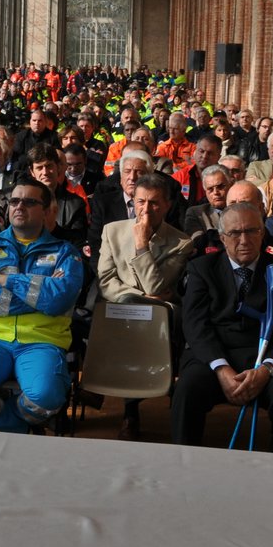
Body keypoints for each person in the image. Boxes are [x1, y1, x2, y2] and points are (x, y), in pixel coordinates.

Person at [171, 201, 273, 455]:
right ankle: (182, 463)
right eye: (235, 233)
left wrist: (266, 370)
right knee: (187, 387)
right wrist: (221, 369)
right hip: (215, 357)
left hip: (265, 360)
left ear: (263, 234)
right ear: (223, 238)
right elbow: (195, 325)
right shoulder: (202, 269)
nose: (244, 239)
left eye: (252, 231)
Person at [0, 177, 84, 432]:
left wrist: (6, 279)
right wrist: (40, 293)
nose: (19, 206)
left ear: (46, 211)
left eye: (29, 202)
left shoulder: (66, 251)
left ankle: (7, 432)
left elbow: (59, 299)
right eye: (14, 201)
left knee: (47, 397)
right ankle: (17, 429)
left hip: (42, 339)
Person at [96, 172, 194, 439]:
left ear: (167, 205)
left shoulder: (181, 243)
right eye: (140, 202)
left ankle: (132, 408)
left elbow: (155, 287)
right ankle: (129, 408)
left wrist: (141, 246)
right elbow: (106, 281)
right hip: (120, 306)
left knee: (147, 317)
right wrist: (134, 298)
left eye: (153, 203)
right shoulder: (112, 231)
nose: (146, 209)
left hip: (161, 314)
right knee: (129, 310)